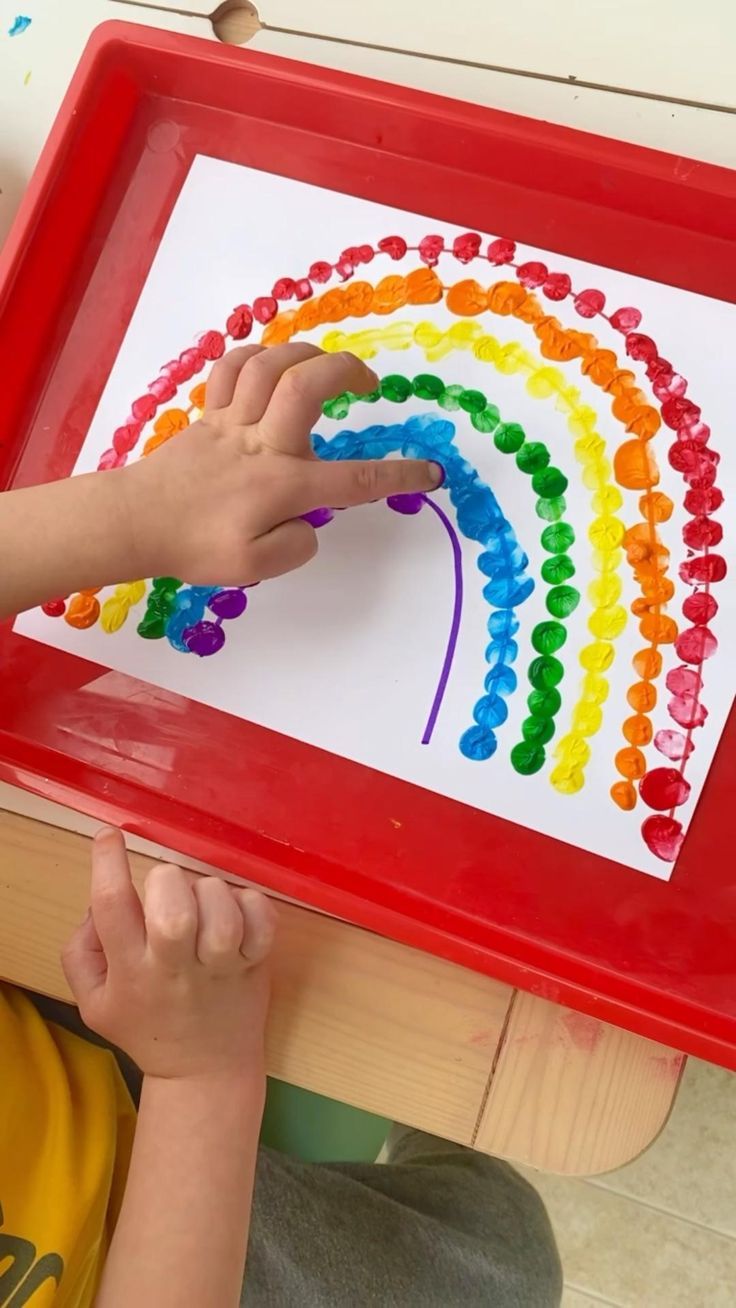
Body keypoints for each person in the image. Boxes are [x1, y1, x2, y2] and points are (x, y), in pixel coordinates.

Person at [0, 344, 562, 1306]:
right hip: (146, 1236)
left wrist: (136, 514)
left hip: (48, 983)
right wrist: (201, 1079)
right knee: (501, 1260)